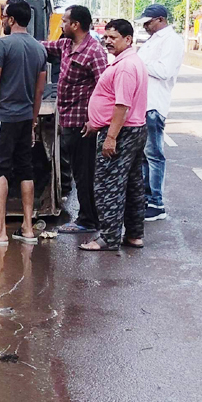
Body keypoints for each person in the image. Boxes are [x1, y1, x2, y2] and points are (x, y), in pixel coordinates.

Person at [0, 0, 50, 246]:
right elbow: (39, 92)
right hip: (25, 118)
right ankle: (28, 229)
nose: (3, 19)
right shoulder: (40, 50)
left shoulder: (3, 46)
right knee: (25, 170)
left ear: (12, 19)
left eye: (5, 15)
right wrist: (32, 122)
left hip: (3, 118)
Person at [79, 18, 149, 252]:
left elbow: (122, 105)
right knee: (131, 184)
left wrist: (110, 137)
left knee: (108, 185)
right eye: (106, 37)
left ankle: (108, 237)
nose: (107, 41)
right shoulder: (127, 61)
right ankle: (134, 234)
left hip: (123, 132)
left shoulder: (126, 67)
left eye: (113, 38)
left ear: (128, 39)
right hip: (133, 130)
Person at [42, 5, 108, 233]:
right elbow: (44, 46)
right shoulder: (66, 45)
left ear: (75, 25)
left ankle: (88, 220)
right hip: (68, 120)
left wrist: (95, 121)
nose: (61, 25)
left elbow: (105, 89)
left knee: (84, 173)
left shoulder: (94, 52)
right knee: (79, 171)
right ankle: (88, 216)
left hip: (83, 125)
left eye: (64, 21)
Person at [137, 3, 184, 221]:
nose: (145, 26)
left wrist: (140, 63)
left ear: (161, 20)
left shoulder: (171, 41)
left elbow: (164, 71)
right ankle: (147, 198)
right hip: (143, 104)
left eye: (148, 22)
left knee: (154, 154)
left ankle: (156, 202)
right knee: (144, 156)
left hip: (155, 104)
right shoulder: (153, 40)